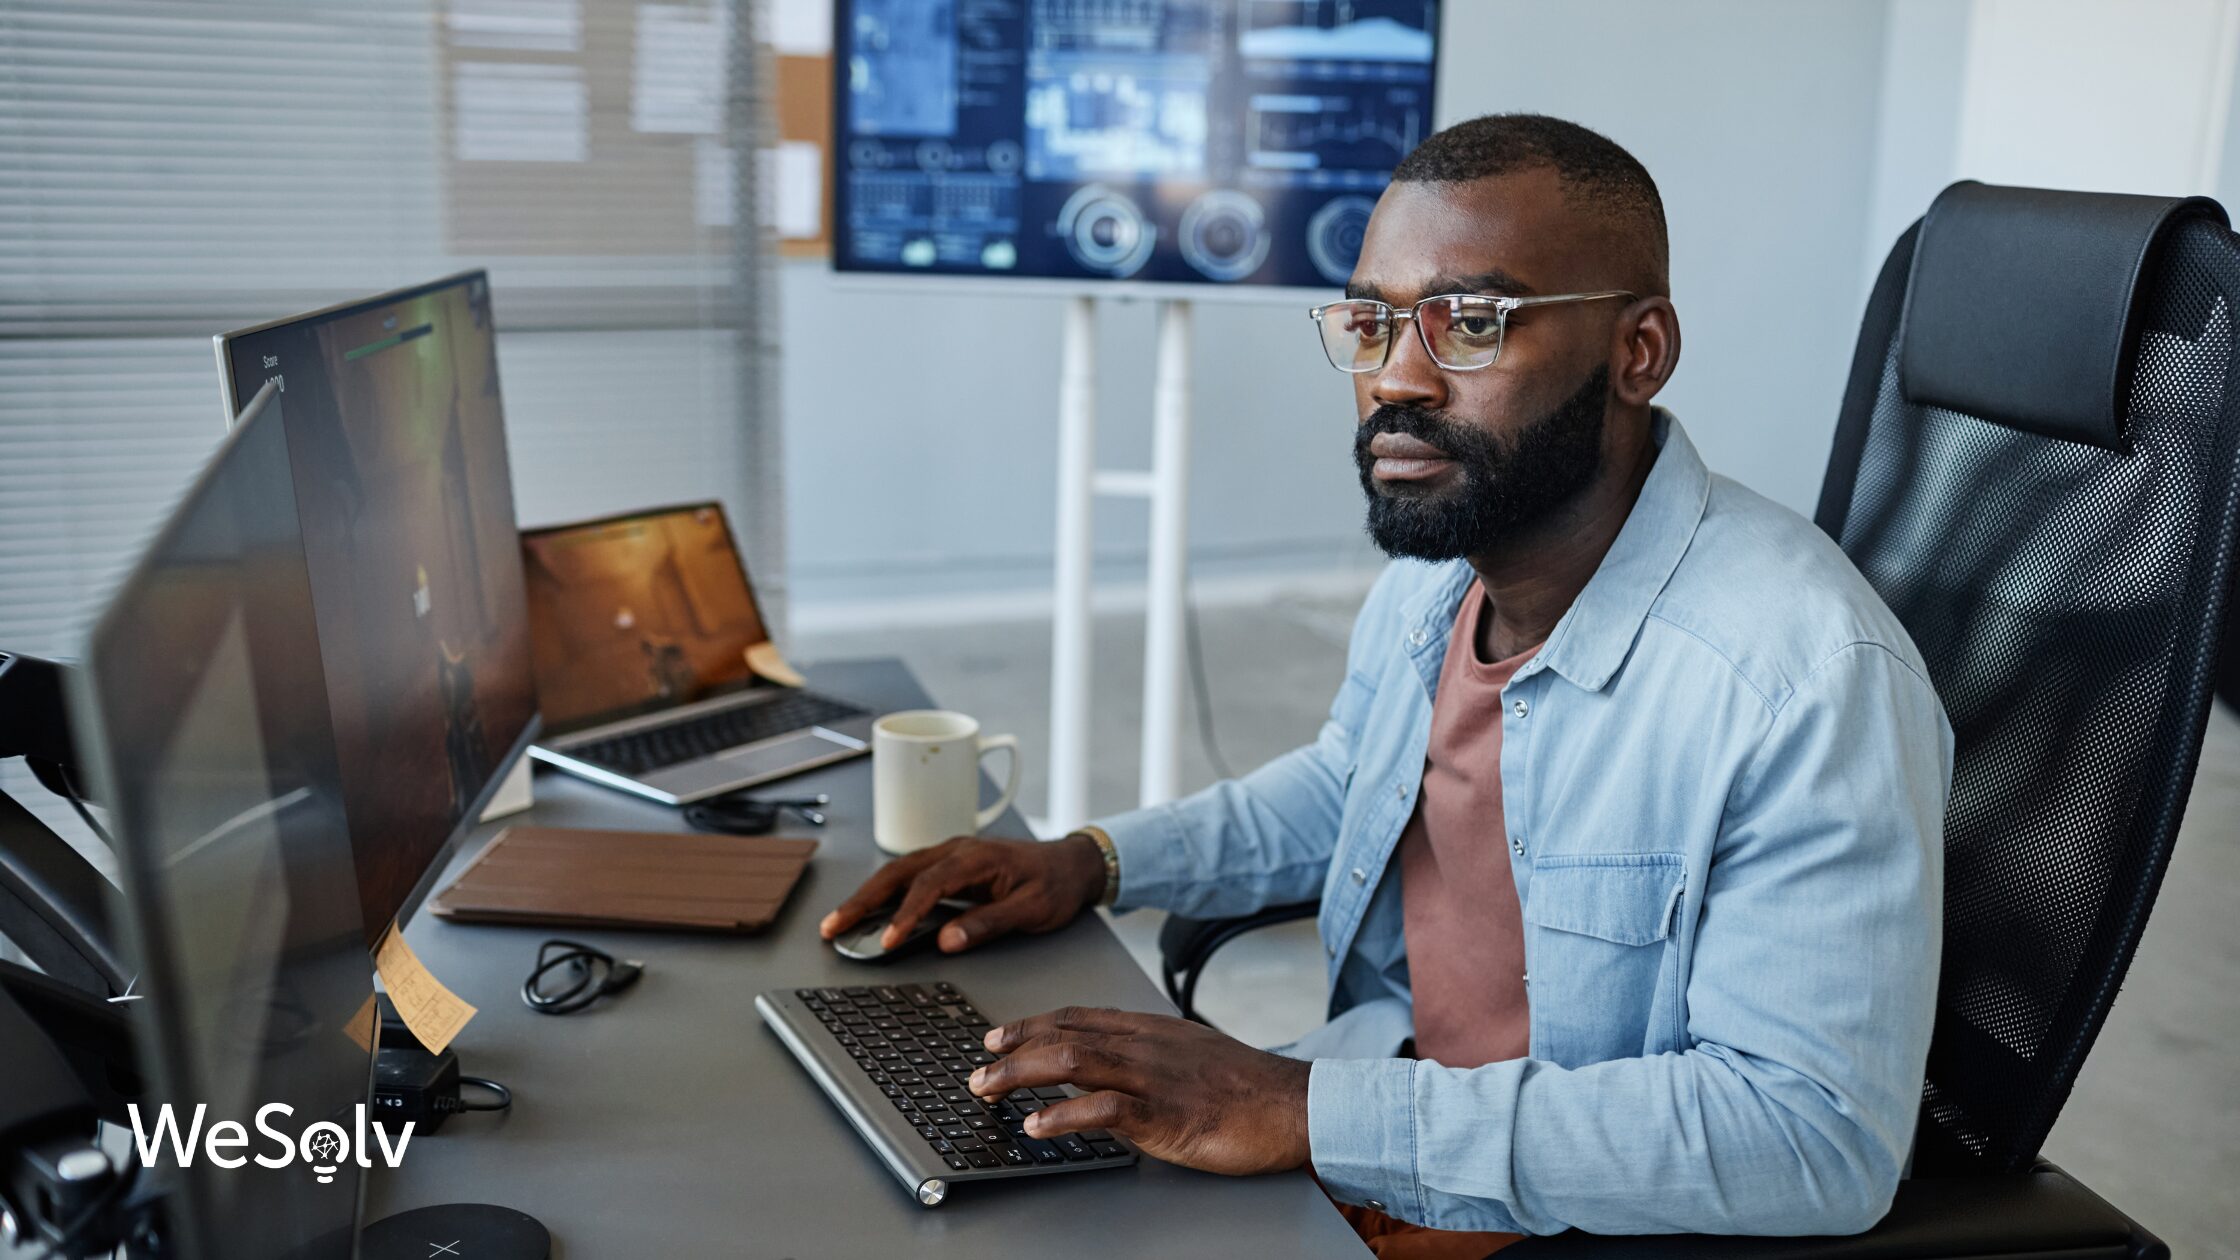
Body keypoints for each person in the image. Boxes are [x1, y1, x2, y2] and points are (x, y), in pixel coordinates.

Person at [821, 114, 1953, 1252]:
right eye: (1370, 322)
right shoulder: (1445, 574)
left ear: (1638, 351)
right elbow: (1354, 787)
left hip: (1564, 1210)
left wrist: (1299, 1109)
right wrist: (1094, 862)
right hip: (1389, 1109)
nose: (1393, 380)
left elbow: (1814, 1139)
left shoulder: (1799, 679)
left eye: (1469, 323)